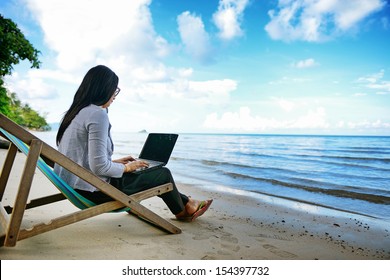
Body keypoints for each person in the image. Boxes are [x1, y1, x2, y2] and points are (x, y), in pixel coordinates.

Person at [54, 65, 212, 222]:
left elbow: (77, 156)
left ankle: (188, 203)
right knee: (162, 173)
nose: (115, 95)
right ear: (103, 88)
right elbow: (99, 167)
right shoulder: (97, 114)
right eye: (114, 89)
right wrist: (126, 167)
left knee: (142, 170)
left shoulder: (75, 113)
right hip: (95, 191)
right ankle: (184, 211)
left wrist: (114, 163)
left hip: (75, 186)